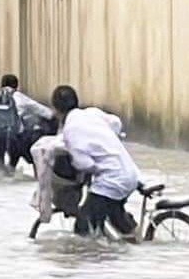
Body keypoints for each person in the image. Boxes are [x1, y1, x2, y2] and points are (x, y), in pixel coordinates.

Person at [51, 85, 140, 238]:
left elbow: (84, 164)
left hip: (111, 181)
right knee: (115, 217)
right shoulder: (92, 113)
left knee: (83, 226)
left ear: (56, 110)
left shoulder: (71, 130)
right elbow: (116, 123)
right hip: (130, 173)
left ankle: (98, 257)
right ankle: (136, 245)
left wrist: (87, 169)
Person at [0, 74, 56, 178]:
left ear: (1, 85)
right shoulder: (20, 98)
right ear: (16, 86)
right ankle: (17, 170)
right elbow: (47, 113)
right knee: (22, 138)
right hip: (14, 137)